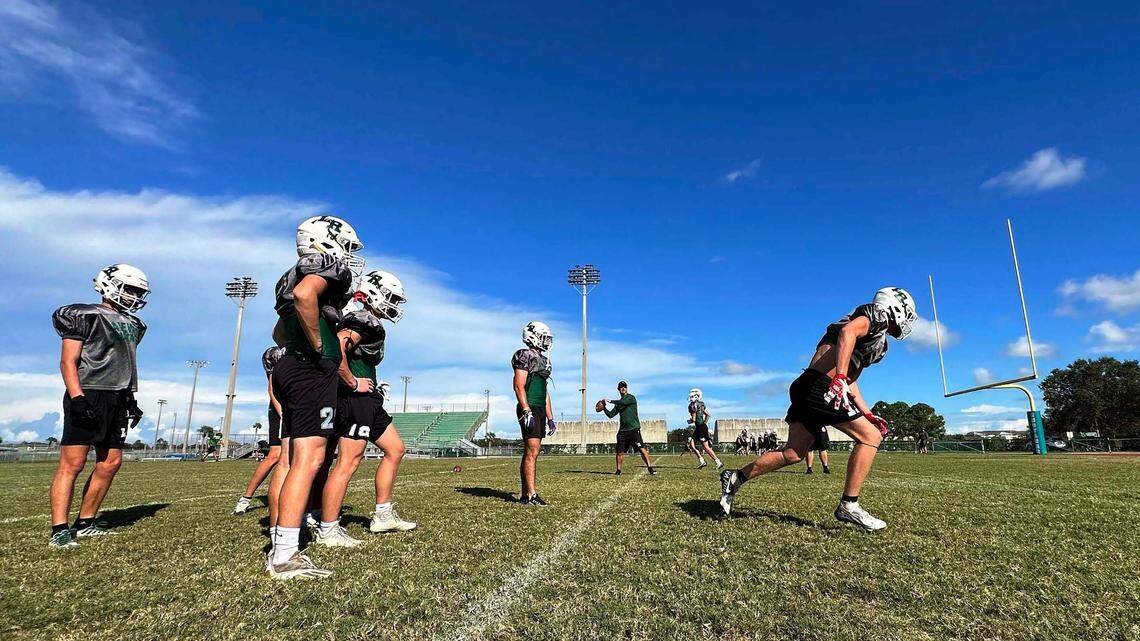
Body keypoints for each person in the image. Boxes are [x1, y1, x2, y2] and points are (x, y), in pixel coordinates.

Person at [719, 287, 918, 531]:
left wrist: (866, 412)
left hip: (809, 387)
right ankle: (849, 505)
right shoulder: (875, 316)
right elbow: (847, 333)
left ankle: (735, 478)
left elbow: (852, 379)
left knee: (793, 453)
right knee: (870, 437)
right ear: (895, 305)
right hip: (819, 385)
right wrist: (839, 379)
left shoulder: (879, 344)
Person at [267, 215, 364, 579]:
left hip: (289, 366)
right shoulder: (326, 267)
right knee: (310, 459)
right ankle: (285, 554)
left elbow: (279, 331)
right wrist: (320, 343)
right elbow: (305, 295)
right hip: (309, 369)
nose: (349, 256)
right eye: (348, 246)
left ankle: (280, 538)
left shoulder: (286, 276)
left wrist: (302, 339)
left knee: (290, 459)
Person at [49, 264, 149, 548]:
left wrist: (130, 397)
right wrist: (77, 397)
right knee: (73, 463)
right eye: (130, 289)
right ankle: (59, 529)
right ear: (109, 284)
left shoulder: (134, 324)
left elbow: (123, 361)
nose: (133, 296)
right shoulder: (82, 315)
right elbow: (68, 361)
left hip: (117, 396)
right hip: (89, 391)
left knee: (111, 463)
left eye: (138, 292)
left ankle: (85, 522)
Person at [313, 269, 415, 547]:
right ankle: (328, 528)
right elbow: (336, 348)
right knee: (348, 462)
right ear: (374, 293)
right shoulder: (363, 319)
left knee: (395, 449)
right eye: (391, 297)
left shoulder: (366, 320)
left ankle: (383, 515)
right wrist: (352, 381)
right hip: (355, 399)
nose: (393, 304)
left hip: (369, 399)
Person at [233, 346, 286, 518]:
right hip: (282, 408)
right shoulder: (274, 352)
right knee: (275, 455)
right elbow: (272, 390)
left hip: (298, 406)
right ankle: (245, 498)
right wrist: (281, 411)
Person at [513, 321, 555, 505]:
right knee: (533, 451)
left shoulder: (544, 360)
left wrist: (551, 418)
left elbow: (545, 392)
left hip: (538, 408)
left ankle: (525, 494)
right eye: (544, 337)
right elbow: (519, 385)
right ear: (533, 336)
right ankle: (531, 494)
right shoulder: (524, 355)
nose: (546, 341)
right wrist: (526, 409)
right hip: (528, 407)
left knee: (532, 452)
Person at [598, 381, 656, 475]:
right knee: (619, 452)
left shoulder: (631, 398)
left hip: (633, 429)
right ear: (618, 389)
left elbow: (623, 402)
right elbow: (611, 415)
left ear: (627, 388)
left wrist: (610, 401)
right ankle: (618, 470)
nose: (623, 388)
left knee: (642, 449)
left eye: (624, 386)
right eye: (621, 387)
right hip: (623, 431)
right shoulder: (618, 404)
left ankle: (650, 468)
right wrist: (604, 408)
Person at [687, 388, 722, 470]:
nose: (690, 398)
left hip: (700, 428)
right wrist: (704, 423)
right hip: (701, 427)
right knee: (692, 444)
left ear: (696, 396)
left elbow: (694, 419)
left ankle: (718, 462)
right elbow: (708, 415)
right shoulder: (701, 404)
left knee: (706, 447)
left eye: (692, 396)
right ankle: (702, 461)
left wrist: (690, 421)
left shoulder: (692, 406)